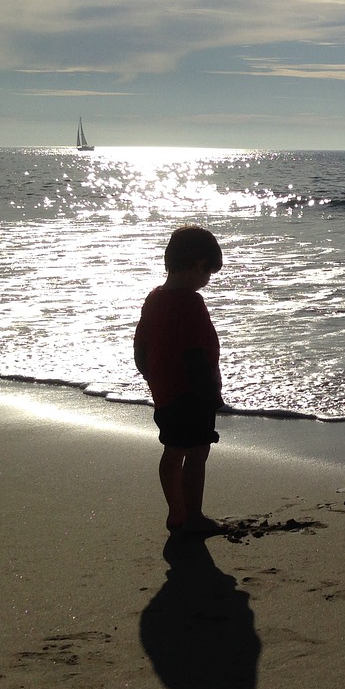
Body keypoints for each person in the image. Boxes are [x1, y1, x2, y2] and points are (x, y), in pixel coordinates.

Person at [134, 225, 227, 535]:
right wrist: (212, 396)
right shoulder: (191, 303)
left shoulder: (154, 298)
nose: (207, 281)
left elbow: (141, 346)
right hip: (192, 393)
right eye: (208, 273)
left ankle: (176, 514)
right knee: (197, 453)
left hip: (165, 392)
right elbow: (197, 354)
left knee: (173, 450)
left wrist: (151, 377)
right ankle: (193, 515)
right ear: (198, 264)